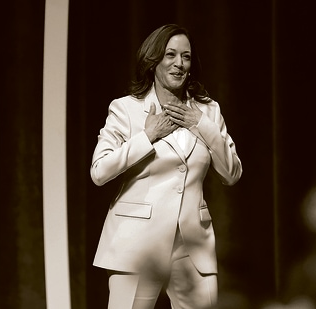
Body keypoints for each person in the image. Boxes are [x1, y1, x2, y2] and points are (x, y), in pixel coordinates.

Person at [90, 24, 243, 309]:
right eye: (170, 55)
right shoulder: (126, 109)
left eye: (185, 56)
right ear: (153, 61)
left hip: (192, 243)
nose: (179, 63)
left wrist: (201, 124)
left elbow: (231, 173)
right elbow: (99, 172)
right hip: (137, 243)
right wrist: (147, 136)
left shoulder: (208, 110)